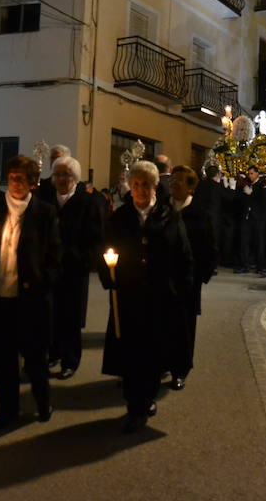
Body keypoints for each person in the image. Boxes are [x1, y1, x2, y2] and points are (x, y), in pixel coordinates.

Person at [99, 160, 193, 433]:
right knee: (129, 353)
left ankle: (147, 398)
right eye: (135, 184)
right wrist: (109, 275)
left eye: (145, 185)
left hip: (159, 297)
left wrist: (181, 290)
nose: (139, 190)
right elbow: (104, 251)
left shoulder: (169, 217)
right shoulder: (119, 218)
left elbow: (183, 256)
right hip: (127, 296)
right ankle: (133, 404)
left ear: (154, 187)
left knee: (153, 353)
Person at [0, 156, 61, 429]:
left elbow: (54, 254)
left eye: (22, 179)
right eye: (12, 178)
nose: (16, 183)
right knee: (4, 359)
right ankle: (7, 409)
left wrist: (43, 281)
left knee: (35, 357)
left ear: (33, 182)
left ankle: (42, 400)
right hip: (0, 296)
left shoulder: (44, 212)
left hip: (31, 297)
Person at [48, 156, 103, 380]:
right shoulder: (47, 200)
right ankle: (52, 353)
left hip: (73, 269)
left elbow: (95, 238)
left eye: (66, 175)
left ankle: (70, 360)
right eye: (58, 174)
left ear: (75, 178)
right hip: (50, 268)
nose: (61, 179)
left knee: (70, 316)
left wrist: (82, 258)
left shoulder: (87, 203)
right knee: (50, 314)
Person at [168, 166, 217, 391]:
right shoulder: (163, 209)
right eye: (172, 181)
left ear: (191, 187)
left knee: (185, 325)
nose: (174, 185)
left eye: (179, 181)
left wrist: (200, 276)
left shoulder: (200, 214)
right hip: (163, 277)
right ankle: (162, 364)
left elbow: (209, 248)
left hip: (188, 280)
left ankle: (181, 369)